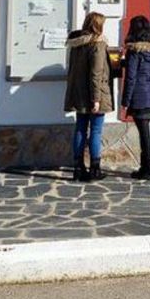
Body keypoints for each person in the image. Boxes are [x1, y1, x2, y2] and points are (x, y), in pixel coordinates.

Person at [64, 11, 112, 182]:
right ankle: (95, 169)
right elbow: (96, 74)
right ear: (98, 25)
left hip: (78, 94)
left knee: (80, 129)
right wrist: (97, 99)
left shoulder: (77, 44)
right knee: (96, 132)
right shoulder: (97, 45)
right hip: (93, 95)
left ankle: (78, 169)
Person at [119, 15, 150, 181]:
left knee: (144, 133)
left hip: (140, 95)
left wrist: (125, 102)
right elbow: (148, 68)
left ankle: (147, 167)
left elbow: (131, 78)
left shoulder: (134, 51)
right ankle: (148, 164)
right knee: (146, 131)